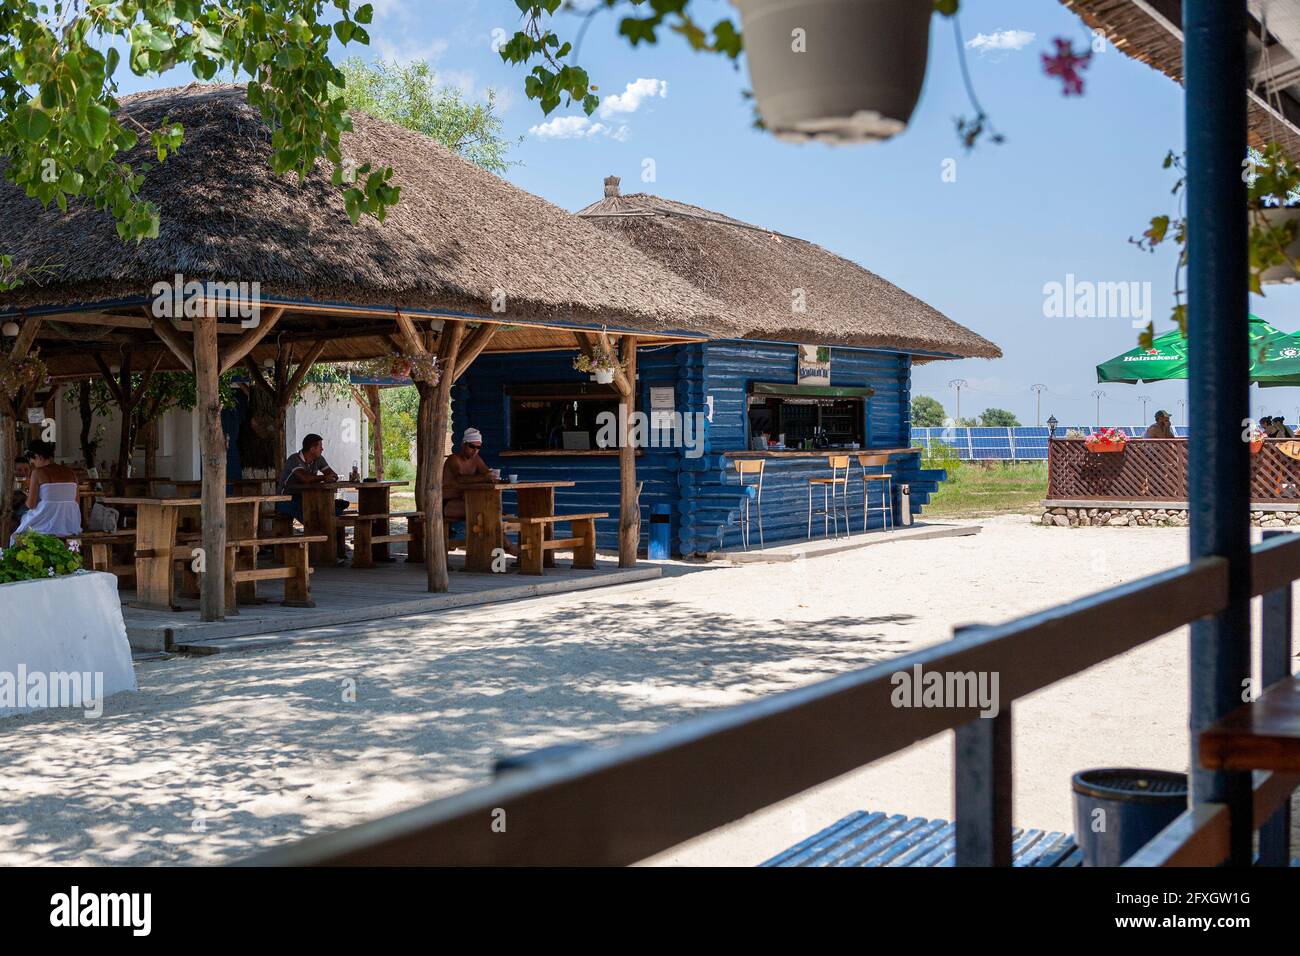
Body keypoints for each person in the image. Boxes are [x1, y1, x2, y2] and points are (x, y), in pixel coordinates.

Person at [442, 427, 517, 557]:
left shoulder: (476, 459)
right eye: (472, 447)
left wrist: (495, 478)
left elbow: (487, 473)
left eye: (478, 448)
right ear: (463, 444)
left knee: (489, 514)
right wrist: (484, 477)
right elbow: (461, 479)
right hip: (448, 504)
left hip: (466, 502)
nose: (475, 451)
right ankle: (508, 548)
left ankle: (495, 551)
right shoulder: (454, 459)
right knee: (487, 514)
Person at [277, 433, 350, 563]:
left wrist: (331, 477)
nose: (322, 449)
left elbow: (332, 474)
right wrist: (323, 478)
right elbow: (305, 478)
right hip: (286, 500)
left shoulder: (319, 459)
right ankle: (318, 554)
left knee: (327, 513)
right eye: (320, 446)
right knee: (314, 517)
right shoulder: (294, 459)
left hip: (308, 499)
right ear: (312, 448)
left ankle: (332, 551)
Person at [10, 441, 81, 545]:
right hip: (70, 524)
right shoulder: (71, 473)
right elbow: (77, 502)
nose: (33, 465)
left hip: (45, 524)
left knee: (15, 518)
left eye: (33, 461)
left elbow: (31, 504)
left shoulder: (38, 473)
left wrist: (26, 497)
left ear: (38, 457)